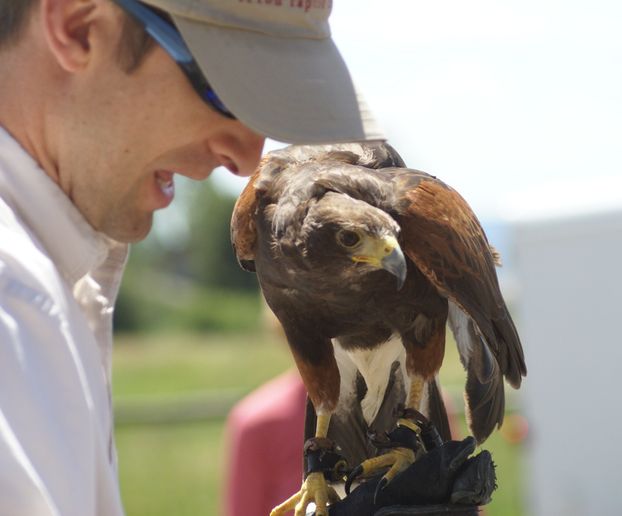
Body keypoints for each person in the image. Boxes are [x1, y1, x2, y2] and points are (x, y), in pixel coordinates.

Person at [0, 0, 382, 514]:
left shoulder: (43, 282)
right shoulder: (13, 303)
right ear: (79, 29)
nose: (248, 156)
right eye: (224, 89)